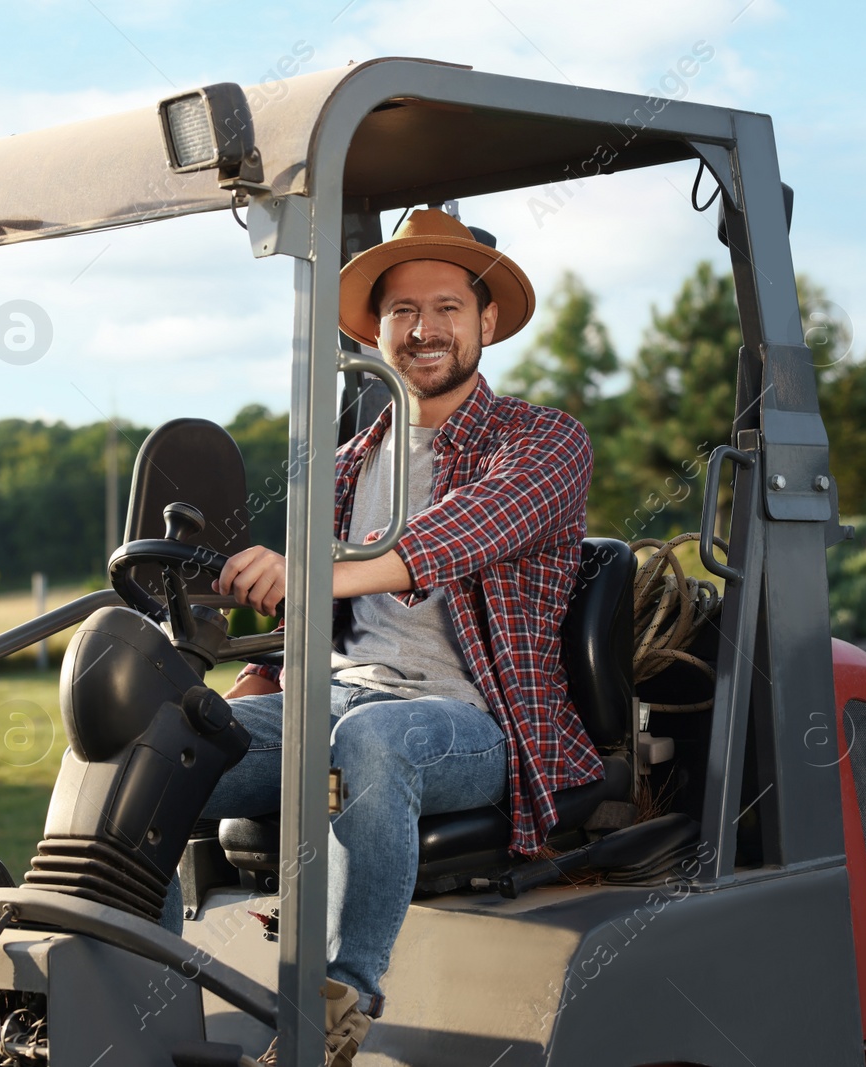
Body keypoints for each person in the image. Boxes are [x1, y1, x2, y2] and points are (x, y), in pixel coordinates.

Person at [162, 208, 604, 1066]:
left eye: (446, 307)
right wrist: (270, 657)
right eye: (403, 311)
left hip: (470, 721)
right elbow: (319, 619)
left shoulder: (543, 442)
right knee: (162, 740)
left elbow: (459, 535)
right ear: (378, 331)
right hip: (333, 697)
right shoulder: (347, 463)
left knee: (372, 742)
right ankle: (133, 975)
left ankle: (343, 997)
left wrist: (313, 569)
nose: (424, 328)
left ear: (487, 322)